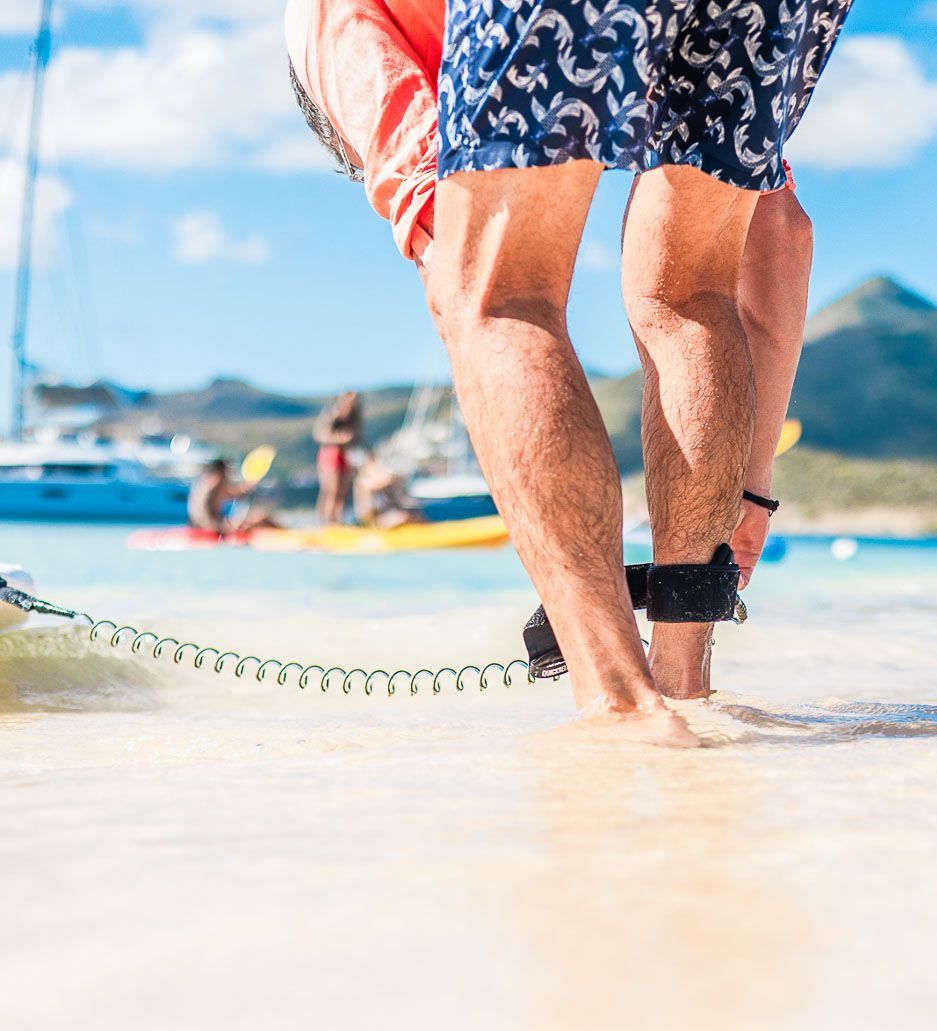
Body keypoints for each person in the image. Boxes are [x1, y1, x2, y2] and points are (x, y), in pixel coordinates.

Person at [287, 0, 851, 739]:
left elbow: (459, 276)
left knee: (501, 293)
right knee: (688, 289)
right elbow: (778, 234)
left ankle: (620, 704)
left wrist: (566, 576)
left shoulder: (328, 30)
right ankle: (684, 686)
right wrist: (749, 491)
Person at [188, 459, 281, 536]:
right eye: (226, 474)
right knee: (260, 520)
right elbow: (202, 520)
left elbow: (237, 493)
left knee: (261, 517)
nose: (228, 477)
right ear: (218, 474)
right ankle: (283, 535)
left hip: (216, 527)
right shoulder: (207, 492)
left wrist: (249, 485)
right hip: (209, 531)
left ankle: (282, 533)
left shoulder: (213, 487)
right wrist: (226, 528)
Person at [313, 390, 363, 523]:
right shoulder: (332, 414)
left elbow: (357, 436)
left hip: (345, 456)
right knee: (330, 492)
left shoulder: (354, 416)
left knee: (341, 494)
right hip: (330, 455)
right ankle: (326, 522)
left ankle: (336, 521)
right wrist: (339, 439)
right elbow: (319, 435)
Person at [353, 452, 424, 529]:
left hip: (382, 518)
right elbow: (365, 516)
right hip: (372, 524)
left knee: (414, 516)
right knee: (401, 517)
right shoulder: (364, 485)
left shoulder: (382, 483)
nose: (380, 470)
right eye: (376, 468)